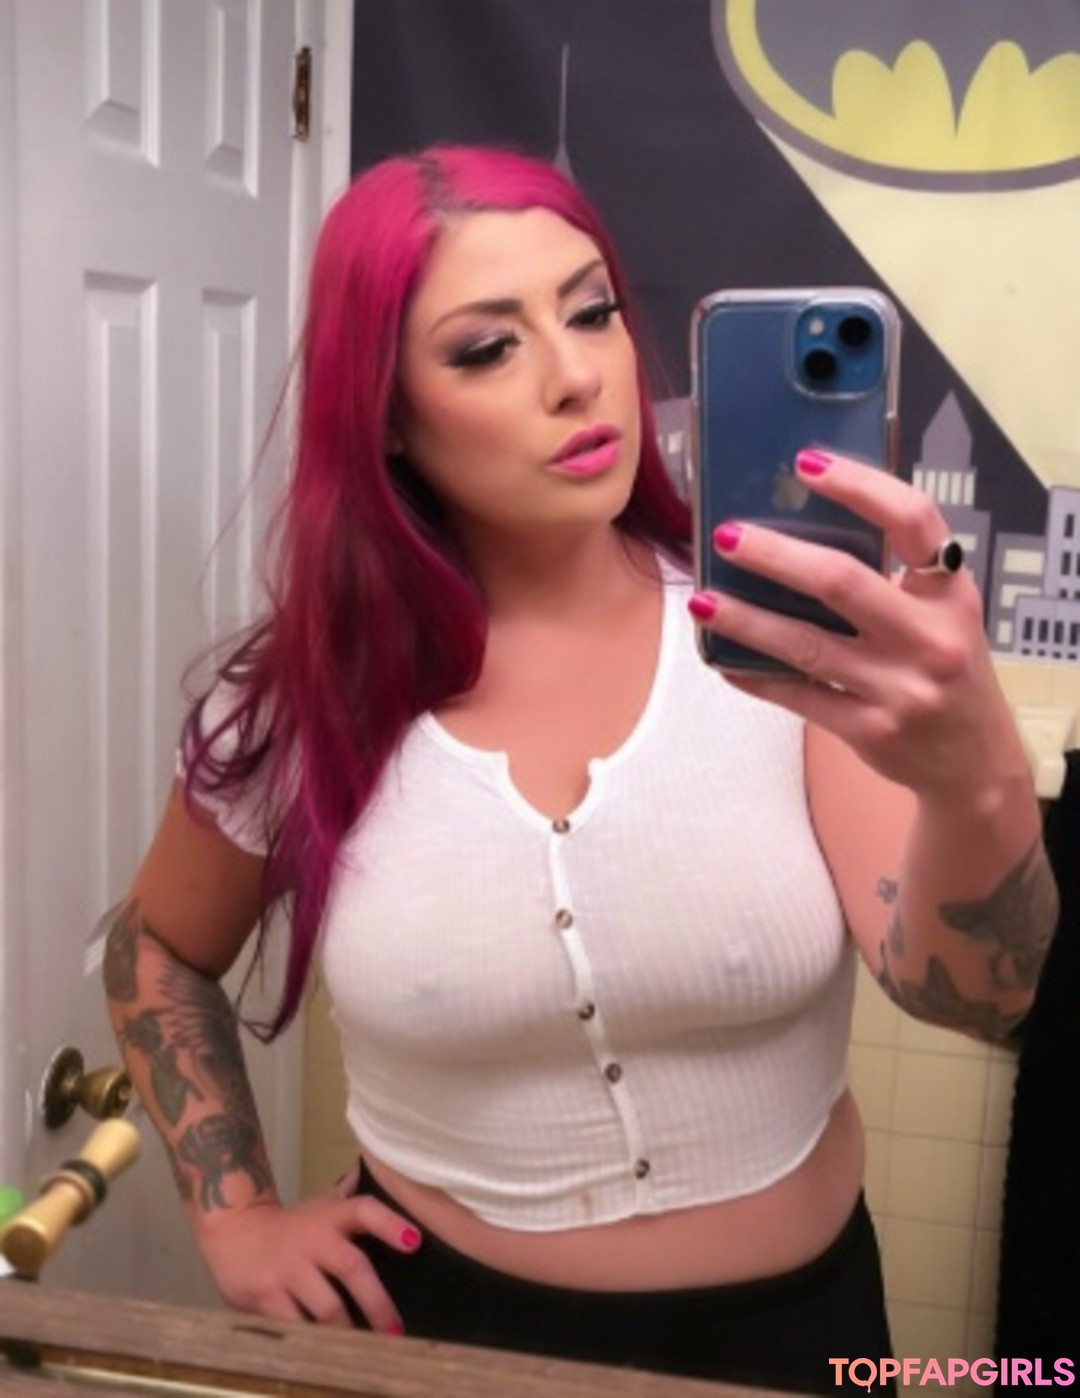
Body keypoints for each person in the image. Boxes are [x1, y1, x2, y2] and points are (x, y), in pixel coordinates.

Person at [103, 144, 1058, 1393]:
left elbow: (981, 995)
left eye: (593, 311)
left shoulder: (786, 649)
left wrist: (977, 778)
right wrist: (236, 1219)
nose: (577, 376)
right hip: (429, 1341)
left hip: (789, 1347)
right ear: (384, 412)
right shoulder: (305, 703)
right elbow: (156, 950)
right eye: (487, 348)